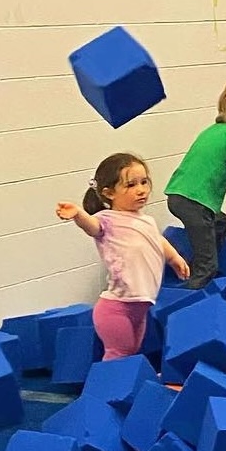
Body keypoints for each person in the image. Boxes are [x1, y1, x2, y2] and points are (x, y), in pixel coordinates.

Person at [56, 152, 189, 361]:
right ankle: (105, 391)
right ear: (109, 193)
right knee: (118, 354)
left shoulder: (146, 221)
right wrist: (78, 214)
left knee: (130, 353)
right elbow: (92, 227)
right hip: (117, 309)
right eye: (131, 185)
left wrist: (174, 259)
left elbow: (156, 240)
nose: (141, 190)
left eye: (144, 182)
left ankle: (119, 389)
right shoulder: (107, 220)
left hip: (140, 307)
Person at [165, 80, 226, 289]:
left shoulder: (212, 130)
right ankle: (190, 299)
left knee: (220, 222)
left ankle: (209, 270)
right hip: (195, 203)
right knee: (206, 267)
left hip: (177, 196)